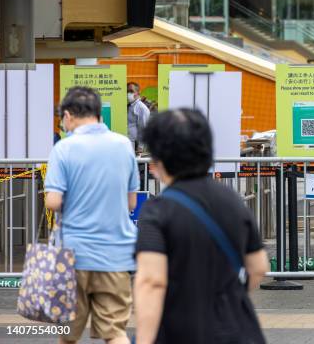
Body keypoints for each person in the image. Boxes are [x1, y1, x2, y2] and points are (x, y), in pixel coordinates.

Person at [134, 109, 268, 344]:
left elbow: (152, 281)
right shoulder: (232, 200)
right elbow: (258, 267)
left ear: (160, 159)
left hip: (179, 330)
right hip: (236, 330)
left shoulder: (158, 211)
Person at [44, 87, 139, 344]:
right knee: (115, 332)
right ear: (98, 113)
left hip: (73, 254)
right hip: (116, 255)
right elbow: (131, 202)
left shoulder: (64, 148)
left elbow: (53, 201)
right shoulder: (123, 145)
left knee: (67, 335)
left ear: (68, 115)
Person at [127, 82, 151, 154]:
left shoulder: (141, 108)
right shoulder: (129, 106)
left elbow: (143, 128)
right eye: (127, 91)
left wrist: (140, 147)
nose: (128, 94)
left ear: (138, 92)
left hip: (136, 147)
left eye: (131, 91)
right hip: (129, 144)